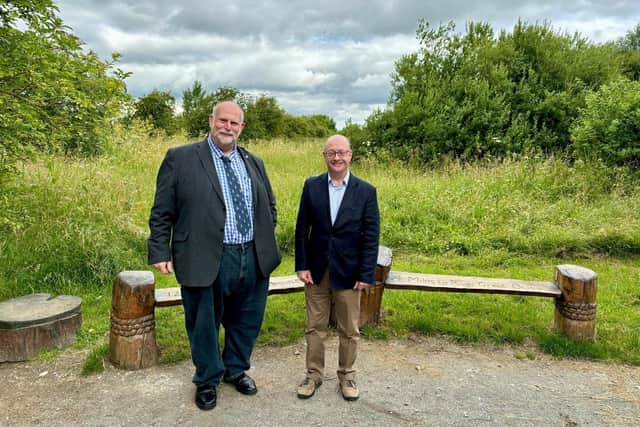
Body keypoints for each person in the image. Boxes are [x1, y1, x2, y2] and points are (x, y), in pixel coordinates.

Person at [148, 101, 281, 411]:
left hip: (252, 255)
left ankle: (235, 368)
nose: (228, 127)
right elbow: (161, 210)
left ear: (242, 127)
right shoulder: (181, 158)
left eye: (235, 123)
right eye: (223, 120)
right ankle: (208, 379)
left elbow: (269, 204)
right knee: (204, 321)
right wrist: (159, 249)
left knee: (246, 318)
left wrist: (262, 234)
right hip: (205, 255)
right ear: (211, 120)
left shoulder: (253, 161)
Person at [294, 134, 380, 401]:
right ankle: (313, 375)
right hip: (316, 271)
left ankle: (347, 376)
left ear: (350, 155)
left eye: (342, 152)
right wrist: (301, 265)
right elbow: (301, 229)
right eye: (331, 152)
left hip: (350, 272)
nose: (337, 157)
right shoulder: (311, 186)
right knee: (314, 327)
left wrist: (366, 274)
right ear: (324, 156)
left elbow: (370, 236)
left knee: (349, 330)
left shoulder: (366, 191)